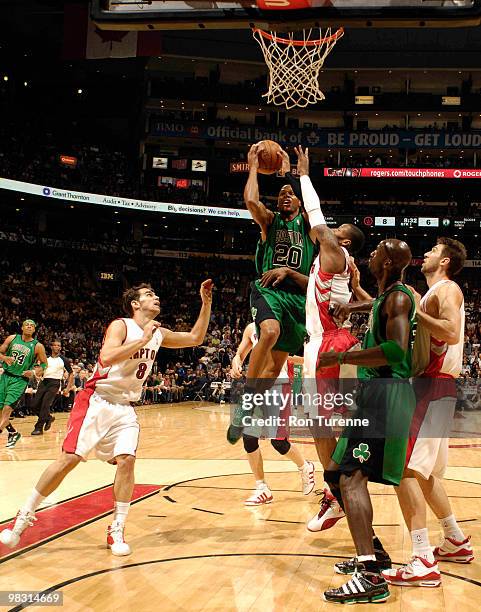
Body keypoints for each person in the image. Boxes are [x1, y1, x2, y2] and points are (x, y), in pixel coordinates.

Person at [0, 280, 213, 556]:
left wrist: (206, 304)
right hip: (96, 400)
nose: (156, 297)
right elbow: (108, 356)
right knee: (69, 460)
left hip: (124, 407)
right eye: (150, 295)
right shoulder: (122, 325)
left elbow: (195, 338)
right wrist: (143, 339)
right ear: (136, 304)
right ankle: (24, 515)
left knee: (127, 460)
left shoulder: (158, 332)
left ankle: (117, 528)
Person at [318, 239, 416, 604]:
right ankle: (375, 554)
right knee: (334, 474)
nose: (370, 255)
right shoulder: (387, 296)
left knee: (351, 475)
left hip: (385, 396)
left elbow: (396, 349)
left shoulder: (399, 298)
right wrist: (351, 304)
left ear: (388, 262)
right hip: (375, 395)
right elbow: (369, 304)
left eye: (376, 252)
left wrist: (344, 357)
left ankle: (370, 574)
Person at [382, 238, 474, 588]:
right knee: (425, 472)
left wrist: (410, 307)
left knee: (401, 467)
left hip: (432, 385)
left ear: (445, 261)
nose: (428, 254)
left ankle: (421, 558)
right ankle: (454, 539)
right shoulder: (435, 293)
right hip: (437, 386)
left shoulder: (447, 290)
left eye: (435, 251)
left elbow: (450, 332)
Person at [295, 145, 366, 532]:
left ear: (345, 243)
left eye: (336, 235)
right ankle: (336, 490)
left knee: (326, 428)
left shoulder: (336, 252)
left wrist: (305, 176)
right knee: (326, 426)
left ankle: (338, 493)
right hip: (332, 341)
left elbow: (316, 221)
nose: (327, 235)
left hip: (326, 345)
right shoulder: (342, 266)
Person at [227, 142, 317, 444]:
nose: (285, 195)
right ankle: (245, 401)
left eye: (290, 193)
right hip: (268, 289)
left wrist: (298, 175)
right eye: (281, 193)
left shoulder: (308, 226)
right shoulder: (270, 222)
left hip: (297, 299)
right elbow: (251, 201)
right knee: (269, 331)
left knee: (275, 368)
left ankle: (249, 404)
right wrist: (253, 167)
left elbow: (313, 209)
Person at [231, 322, 315, 505]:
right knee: (249, 436)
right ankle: (262, 488)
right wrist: (236, 361)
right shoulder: (250, 329)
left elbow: (291, 356)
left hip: (278, 385)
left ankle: (305, 467)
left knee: (279, 443)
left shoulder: (279, 325)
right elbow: (240, 354)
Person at [0, 320, 48, 448]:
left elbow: (44, 364)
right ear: (22, 327)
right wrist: (4, 358)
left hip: (20, 380)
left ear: (34, 330)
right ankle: (13, 433)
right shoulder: (12, 338)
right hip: (5, 376)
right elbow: (0, 352)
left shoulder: (38, 346)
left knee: (6, 410)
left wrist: (33, 372)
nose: (29, 326)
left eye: (32, 325)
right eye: (26, 324)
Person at [31, 339, 74, 435]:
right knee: (34, 405)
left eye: (59, 346)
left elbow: (71, 374)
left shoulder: (64, 360)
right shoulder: (45, 358)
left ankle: (38, 427)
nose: (57, 347)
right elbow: (40, 371)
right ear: (51, 347)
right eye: (56, 345)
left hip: (55, 383)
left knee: (45, 405)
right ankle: (48, 417)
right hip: (43, 382)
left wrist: (67, 388)